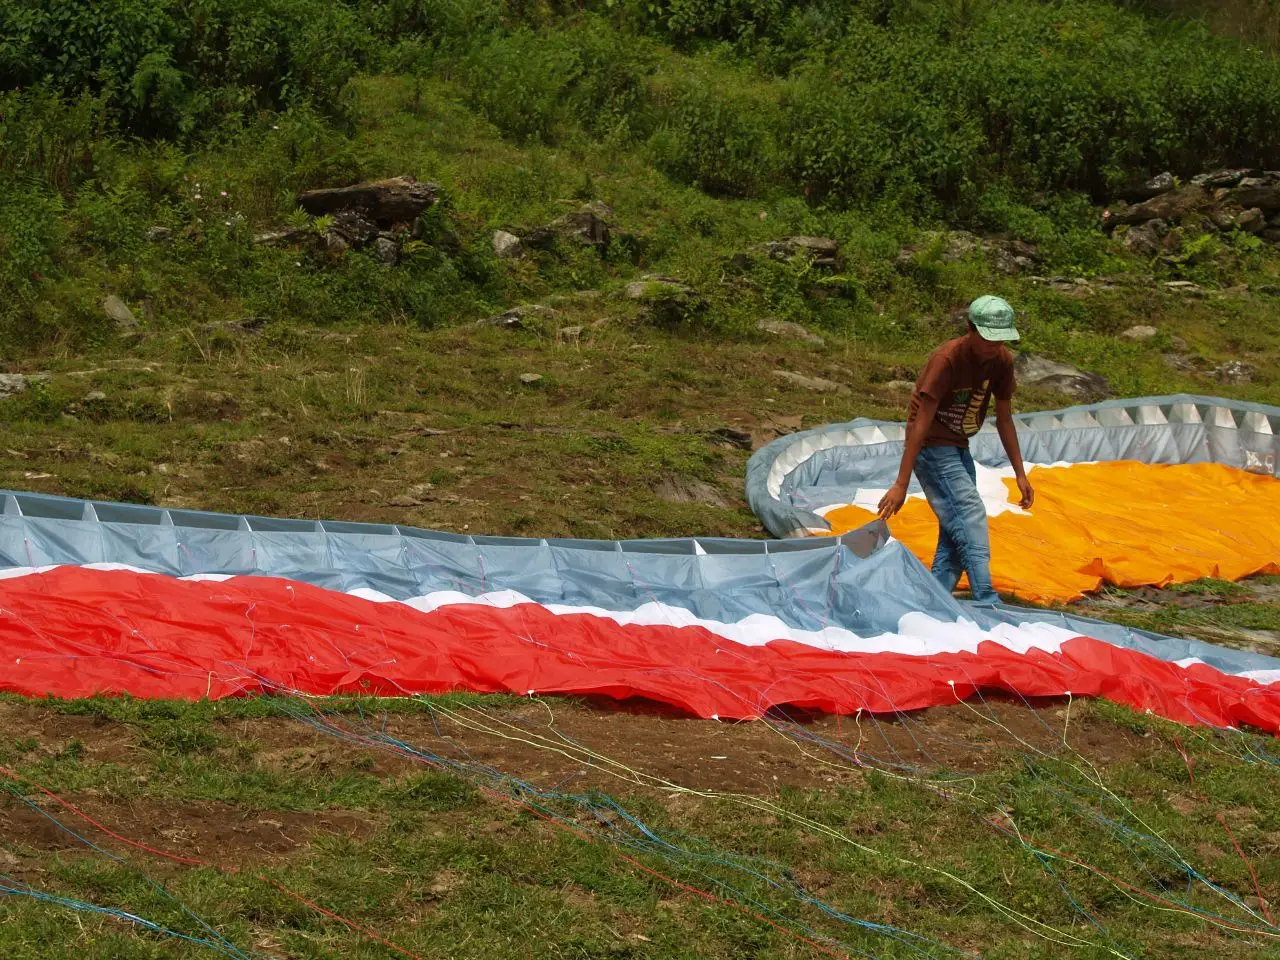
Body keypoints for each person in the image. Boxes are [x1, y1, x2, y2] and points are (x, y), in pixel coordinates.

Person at [877, 295, 1033, 605]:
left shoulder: (1001, 361)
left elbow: (1004, 418)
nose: (993, 346)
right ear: (971, 330)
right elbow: (919, 424)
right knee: (970, 514)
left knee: (956, 528)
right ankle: (986, 599)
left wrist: (1020, 472)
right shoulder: (947, 359)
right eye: (987, 339)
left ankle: (935, 599)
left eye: (1000, 340)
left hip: (958, 444)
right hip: (932, 447)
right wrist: (901, 482)